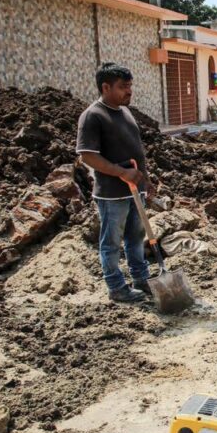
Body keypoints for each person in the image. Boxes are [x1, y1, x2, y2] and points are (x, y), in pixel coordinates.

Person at [76, 62, 154, 303]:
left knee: (135, 238)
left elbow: (136, 151)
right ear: (105, 87)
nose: (128, 91)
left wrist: (146, 181)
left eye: (130, 86)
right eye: (123, 87)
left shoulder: (126, 112)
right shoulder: (93, 116)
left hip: (135, 190)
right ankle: (117, 287)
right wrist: (120, 173)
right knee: (111, 243)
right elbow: (87, 155)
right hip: (112, 194)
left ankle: (141, 279)